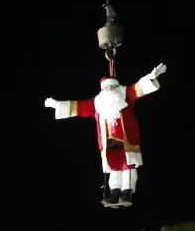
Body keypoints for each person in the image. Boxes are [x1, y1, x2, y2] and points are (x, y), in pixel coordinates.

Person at [44, 64, 168, 206]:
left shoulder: (125, 96)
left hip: (128, 139)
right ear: (102, 90)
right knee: (114, 166)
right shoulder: (97, 104)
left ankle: (127, 192)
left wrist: (151, 77)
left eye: (112, 87)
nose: (109, 90)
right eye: (106, 88)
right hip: (109, 142)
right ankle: (115, 191)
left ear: (117, 88)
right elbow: (78, 107)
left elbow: (138, 88)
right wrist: (57, 104)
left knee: (128, 164)